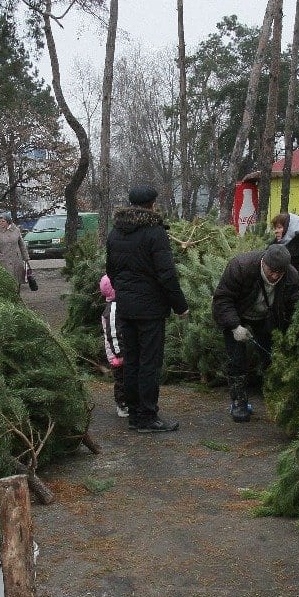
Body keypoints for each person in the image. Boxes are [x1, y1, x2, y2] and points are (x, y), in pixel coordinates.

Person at [106, 185, 190, 433]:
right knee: (150, 363)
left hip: (125, 306)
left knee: (132, 361)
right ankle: (148, 416)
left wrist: (124, 292)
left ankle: (134, 414)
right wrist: (180, 306)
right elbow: (166, 275)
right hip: (151, 309)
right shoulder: (155, 233)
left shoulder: (115, 233)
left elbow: (111, 271)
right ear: (152, 204)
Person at [211, 244, 299, 422]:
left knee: (271, 356)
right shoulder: (241, 266)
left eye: (280, 272)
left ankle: (275, 396)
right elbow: (222, 299)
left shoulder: (291, 276)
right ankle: (239, 402)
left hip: (266, 317)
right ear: (264, 262)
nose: (275, 276)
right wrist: (234, 326)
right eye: (271, 271)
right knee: (237, 359)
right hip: (238, 315)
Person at [99, 274, 130, 418]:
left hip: (121, 351)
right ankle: (122, 405)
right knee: (121, 380)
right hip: (117, 354)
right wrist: (120, 354)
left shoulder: (118, 305)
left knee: (127, 377)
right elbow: (114, 334)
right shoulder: (113, 309)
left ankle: (129, 402)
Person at [0, 215, 30, 293]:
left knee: (18, 279)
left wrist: (26, 257)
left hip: (17, 259)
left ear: (8, 221)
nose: (1, 223)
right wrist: (0, 256)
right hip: (5, 260)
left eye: (3, 221)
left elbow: (21, 244)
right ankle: (11, 297)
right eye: (0, 221)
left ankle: (17, 296)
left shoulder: (16, 230)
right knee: (9, 280)